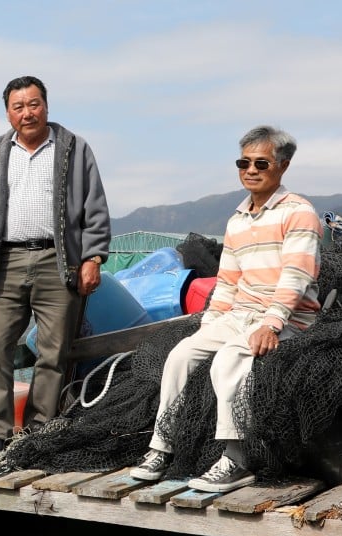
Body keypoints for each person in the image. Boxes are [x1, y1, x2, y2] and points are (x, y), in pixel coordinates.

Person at [131, 125, 322, 492]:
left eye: (261, 163)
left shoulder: (299, 213)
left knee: (229, 359)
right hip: (239, 315)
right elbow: (228, 283)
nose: (250, 170)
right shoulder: (236, 220)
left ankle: (236, 460)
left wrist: (272, 323)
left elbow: (296, 276)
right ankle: (161, 448)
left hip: (289, 317)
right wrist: (211, 325)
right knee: (181, 354)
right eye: (243, 162)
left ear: (282, 166)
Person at [0, 76, 111, 458]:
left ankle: (38, 431)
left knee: (53, 352)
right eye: (19, 106)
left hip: (58, 260)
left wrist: (92, 257)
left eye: (34, 104)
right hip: (7, 262)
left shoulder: (74, 150)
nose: (27, 113)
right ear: (8, 113)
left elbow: (95, 208)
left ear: (46, 106)